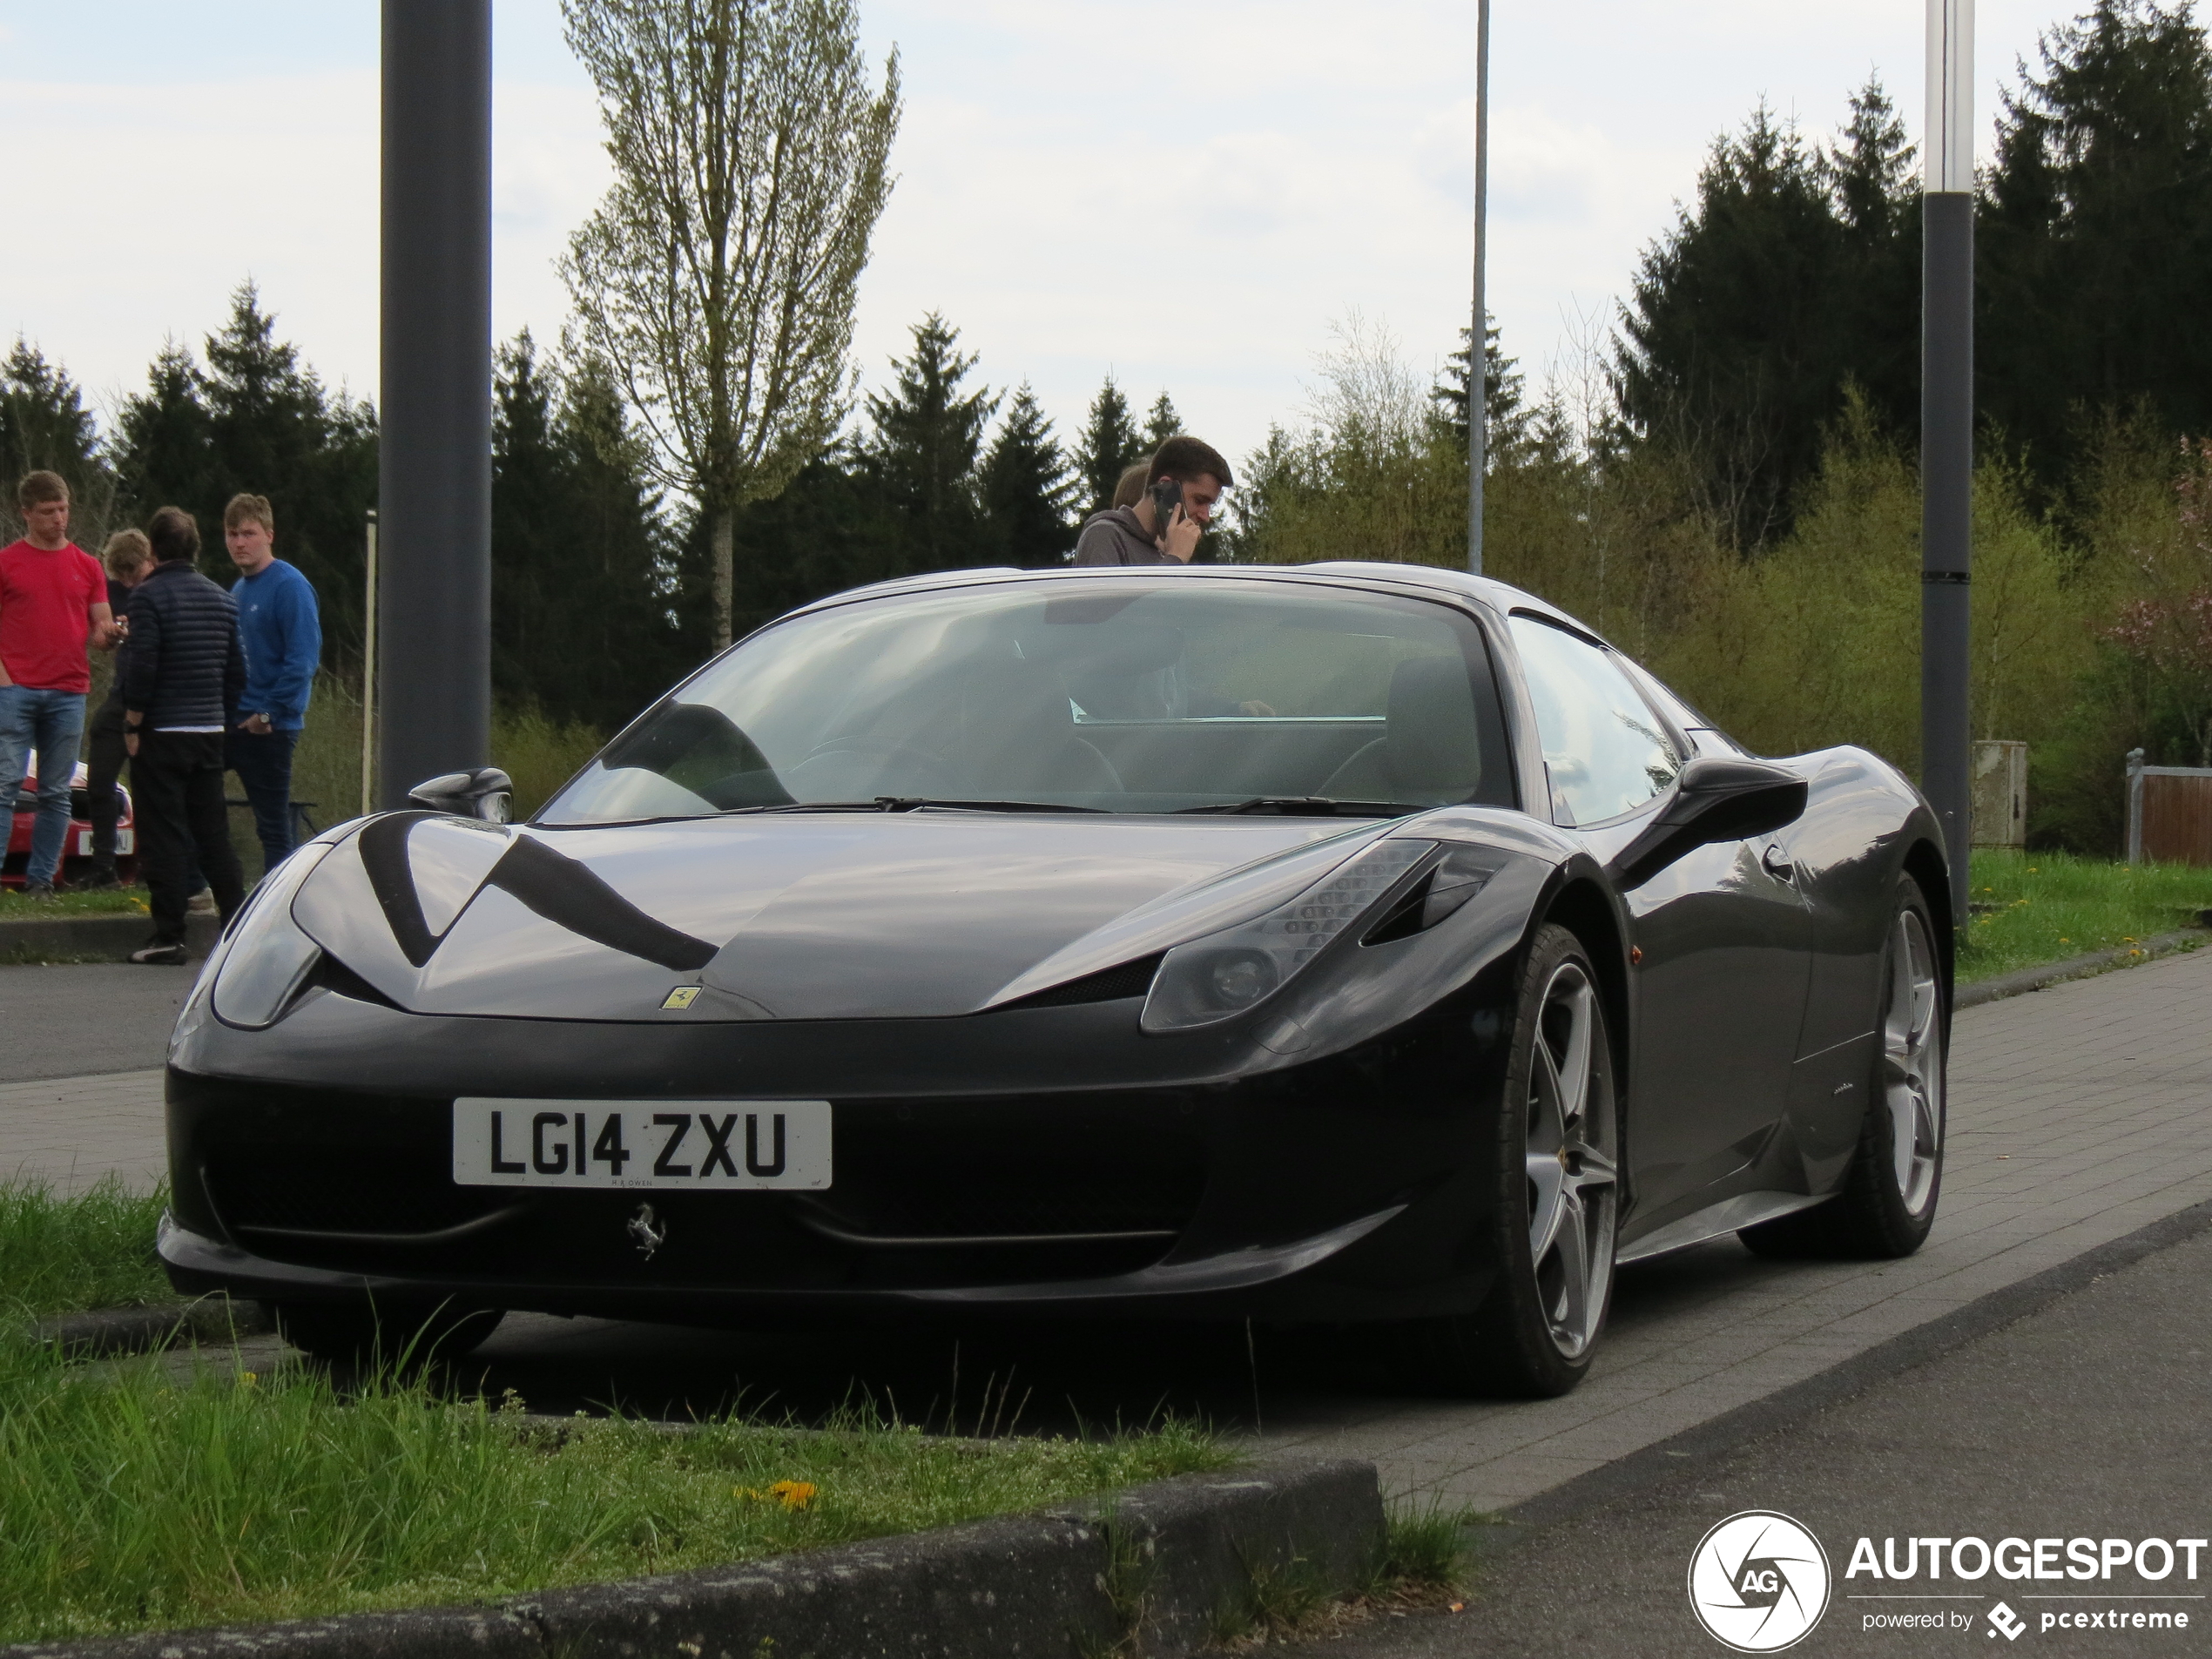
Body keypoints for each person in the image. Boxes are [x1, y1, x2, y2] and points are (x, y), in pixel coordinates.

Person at [118, 506, 246, 965]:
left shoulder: (147, 599)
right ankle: (237, 930)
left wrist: (133, 722)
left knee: (163, 834)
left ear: (152, 549)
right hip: (208, 732)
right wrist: (222, 719)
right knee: (213, 834)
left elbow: (144, 666)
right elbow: (237, 673)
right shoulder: (222, 599)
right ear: (195, 547)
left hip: (163, 732)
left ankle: (169, 935)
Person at [0, 471, 119, 898]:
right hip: (16, 689)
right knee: (6, 784)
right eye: (48, 512)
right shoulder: (6, 562)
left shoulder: (87, 566)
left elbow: (100, 627)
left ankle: (41, 882)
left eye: (63, 509)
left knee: (56, 792)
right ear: (27, 513)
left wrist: (113, 634)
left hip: (69, 689)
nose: (58, 519)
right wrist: (5, 678)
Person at [221, 493, 320, 873]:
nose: (240, 542)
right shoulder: (238, 591)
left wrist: (268, 713)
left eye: (248, 533)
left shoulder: (290, 587)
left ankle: (278, 905)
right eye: (233, 534)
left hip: (270, 726)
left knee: (273, 827)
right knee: (190, 796)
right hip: (232, 718)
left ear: (269, 535)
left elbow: (302, 661)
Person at [78, 529, 155, 889]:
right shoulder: (113, 589)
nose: (126, 581)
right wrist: (110, 634)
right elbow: (100, 638)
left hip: (157, 702)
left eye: (132, 573)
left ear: (149, 562)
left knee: (151, 786)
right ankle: (103, 865)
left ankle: (151, 868)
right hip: (122, 694)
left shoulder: (160, 588)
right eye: (119, 575)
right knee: (98, 781)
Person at [1073, 436, 1233, 567]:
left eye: (1209, 505)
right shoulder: (1104, 536)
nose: (1206, 516)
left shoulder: (1161, 552)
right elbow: (1103, 607)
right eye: (1199, 500)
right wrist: (1175, 558)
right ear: (1165, 487)